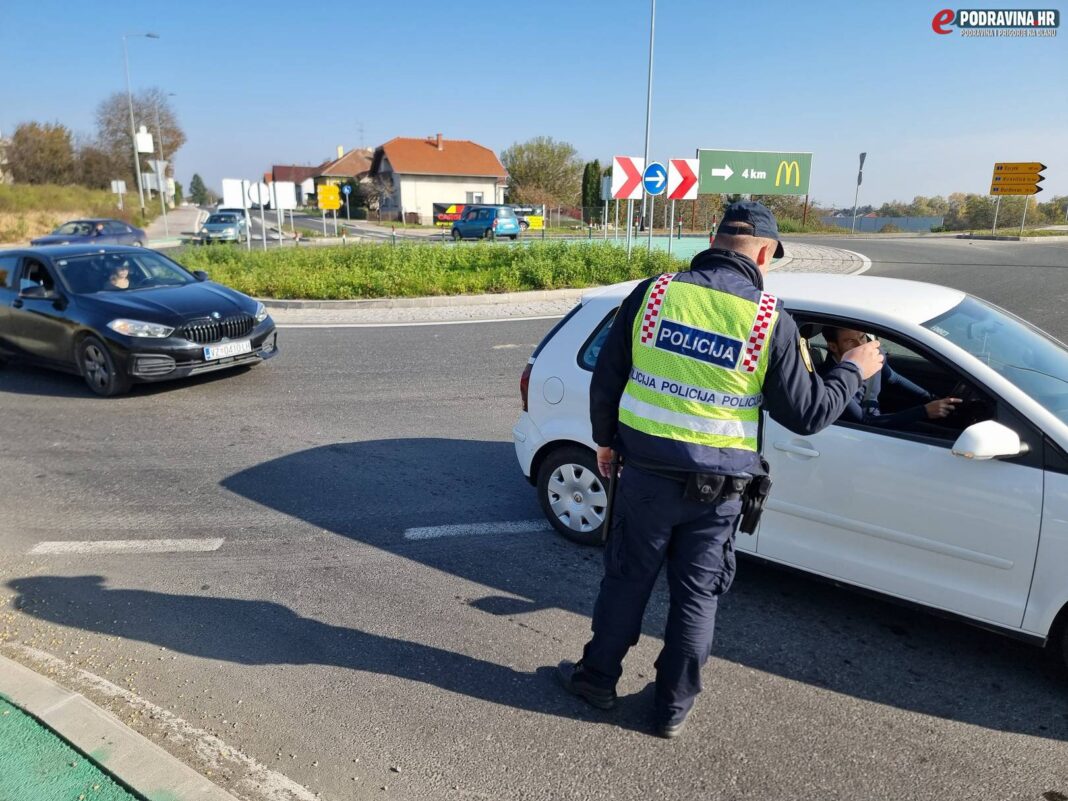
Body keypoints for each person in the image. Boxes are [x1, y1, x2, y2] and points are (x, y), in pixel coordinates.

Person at [556, 201, 885, 739]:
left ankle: (596, 679)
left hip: (644, 475)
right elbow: (806, 413)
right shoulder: (768, 320)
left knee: (626, 581)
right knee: (696, 597)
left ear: (713, 239)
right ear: (763, 253)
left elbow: (609, 377)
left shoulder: (654, 293)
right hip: (719, 491)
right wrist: (853, 368)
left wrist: (605, 443)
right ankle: (670, 709)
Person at [819, 326, 960, 426]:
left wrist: (930, 398)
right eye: (850, 342)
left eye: (862, 337)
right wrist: (925, 411)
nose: (860, 345)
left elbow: (893, 378)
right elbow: (865, 421)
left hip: (880, 417)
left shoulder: (873, 354)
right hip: (863, 434)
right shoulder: (829, 381)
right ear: (833, 347)